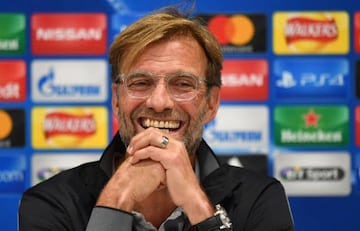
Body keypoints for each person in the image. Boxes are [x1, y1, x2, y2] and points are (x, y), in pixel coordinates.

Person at [18, 6, 294, 231]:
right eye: (140, 83)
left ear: (211, 103)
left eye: (183, 84)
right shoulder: (50, 202)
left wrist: (198, 204)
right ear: (116, 99)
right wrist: (116, 199)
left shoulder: (260, 198)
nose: (159, 102)